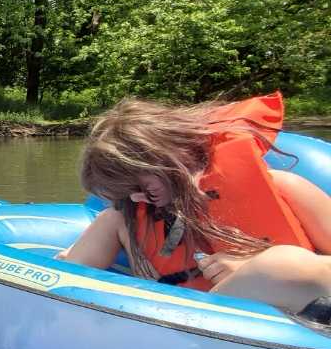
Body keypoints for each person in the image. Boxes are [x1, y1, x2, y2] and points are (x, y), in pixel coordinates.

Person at [59, 92, 331, 321]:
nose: (137, 200)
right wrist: (71, 257)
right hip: (191, 326)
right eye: (127, 194)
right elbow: (66, 282)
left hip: (292, 321)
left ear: (167, 154)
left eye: (142, 188)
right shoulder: (120, 219)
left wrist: (251, 268)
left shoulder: (284, 188)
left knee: (279, 265)